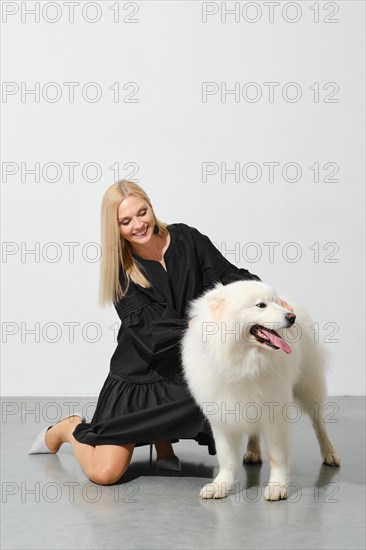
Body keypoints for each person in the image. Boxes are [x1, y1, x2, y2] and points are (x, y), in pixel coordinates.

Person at [28, 180, 293, 485]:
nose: (138, 225)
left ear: (151, 206)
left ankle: (162, 441)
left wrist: (270, 299)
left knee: (229, 386)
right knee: (105, 473)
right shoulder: (120, 270)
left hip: (188, 368)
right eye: (126, 221)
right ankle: (68, 428)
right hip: (142, 376)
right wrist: (197, 324)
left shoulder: (188, 238)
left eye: (143, 212)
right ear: (115, 227)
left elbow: (230, 276)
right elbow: (150, 335)